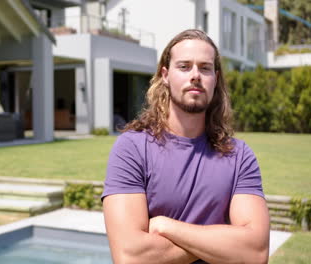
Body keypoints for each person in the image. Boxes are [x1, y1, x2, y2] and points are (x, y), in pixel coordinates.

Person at [101, 29, 270, 264]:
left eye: (204, 67)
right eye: (184, 66)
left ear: (215, 78)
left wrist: (167, 227)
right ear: (165, 75)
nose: (195, 76)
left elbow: (255, 254)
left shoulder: (239, 156)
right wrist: (221, 244)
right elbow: (131, 256)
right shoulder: (132, 148)